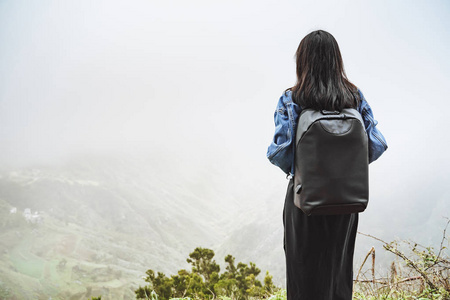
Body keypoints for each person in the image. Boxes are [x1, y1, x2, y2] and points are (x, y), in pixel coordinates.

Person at [266, 30, 388, 300]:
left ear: (303, 61)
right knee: (337, 273)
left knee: (303, 274)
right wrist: (342, 165)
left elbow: (280, 155)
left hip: (304, 200)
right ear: (336, 60)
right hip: (346, 199)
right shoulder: (354, 96)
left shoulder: (292, 98)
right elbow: (376, 145)